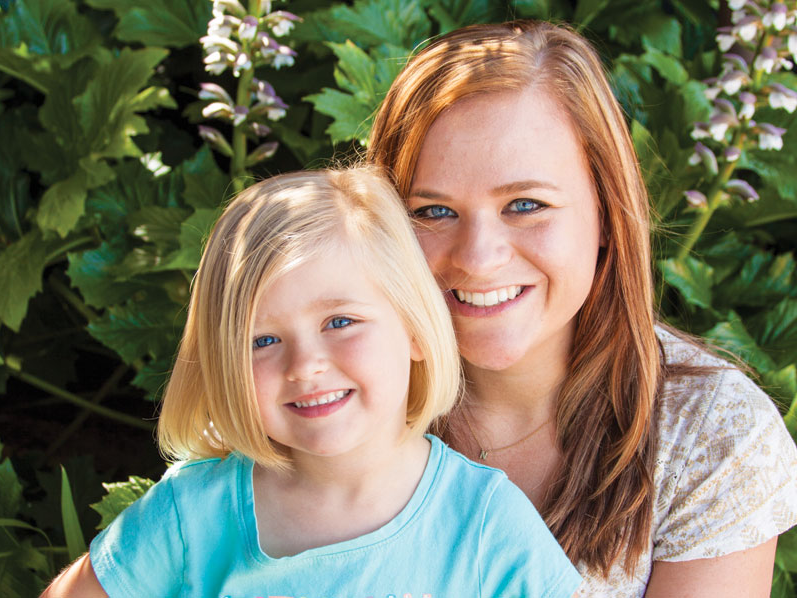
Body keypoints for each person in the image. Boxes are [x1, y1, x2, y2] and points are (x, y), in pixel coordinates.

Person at [366, 20, 797, 598]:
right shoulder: (317, 384)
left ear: (605, 211)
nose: (478, 259)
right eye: (433, 211)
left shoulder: (708, 436)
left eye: (525, 204)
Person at [41, 167, 582, 598]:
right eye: (262, 341)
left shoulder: (483, 523)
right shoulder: (192, 514)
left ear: (415, 329)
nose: (305, 365)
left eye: (340, 322)